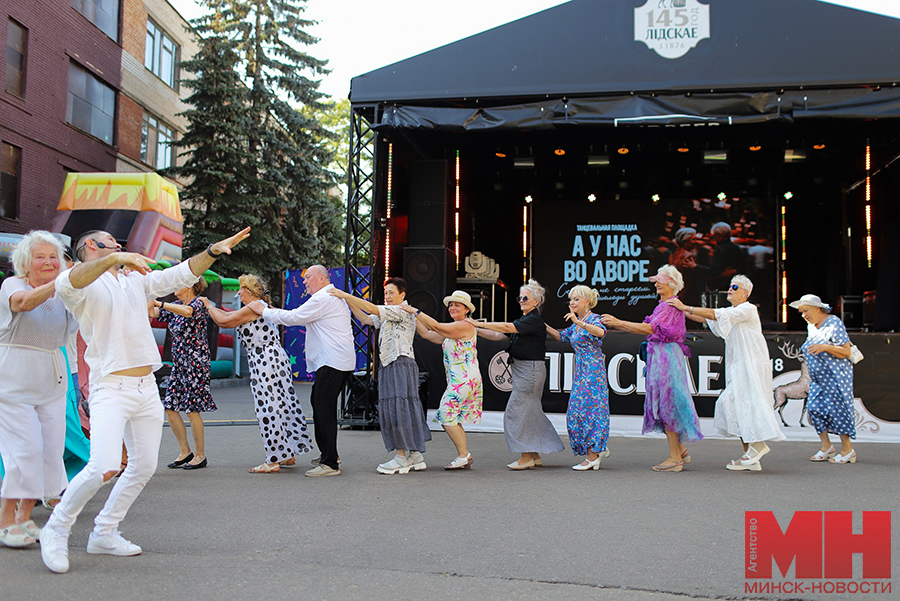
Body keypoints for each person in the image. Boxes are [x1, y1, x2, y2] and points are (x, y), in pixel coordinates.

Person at [39, 227, 250, 574]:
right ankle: (56, 528)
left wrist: (212, 250)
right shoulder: (78, 282)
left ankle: (104, 532)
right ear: (91, 246)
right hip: (112, 385)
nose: (120, 247)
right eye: (111, 243)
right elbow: (72, 280)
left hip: (146, 387)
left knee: (143, 466)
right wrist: (118, 258)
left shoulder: (134, 281)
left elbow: (181, 273)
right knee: (103, 465)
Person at [0, 231, 75, 548]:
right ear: (24, 264)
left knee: (49, 450)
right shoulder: (13, 284)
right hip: (13, 378)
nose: (48, 261)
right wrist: (62, 283)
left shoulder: (66, 293)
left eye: (53, 256)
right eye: (40, 256)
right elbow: (24, 303)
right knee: (24, 450)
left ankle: (25, 517)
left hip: (52, 378)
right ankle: (5, 521)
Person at [668, 275, 785, 471]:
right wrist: (683, 311)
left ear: (745, 293)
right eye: (730, 286)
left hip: (751, 363)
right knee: (738, 405)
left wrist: (685, 307)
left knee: (738, 401)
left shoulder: (747, 309)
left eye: (735, 287)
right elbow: (710, 318)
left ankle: (759, 446)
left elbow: (715, 314)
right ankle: (751, 456)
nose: (729, 289)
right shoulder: (732, 312)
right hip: (739, 363)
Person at [248, 266, 355, 477]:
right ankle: (329, 454)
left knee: (324, 409)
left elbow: (293, 317)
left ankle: (330, 464)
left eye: (308, 278)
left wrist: (263, 311)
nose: (304, 282)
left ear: (322, 278)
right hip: (333, 362)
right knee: (319, 405)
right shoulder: (327, 297)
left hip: (332, 362)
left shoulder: (323, 298)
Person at [202, 275, 313, 473]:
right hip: (273, 357)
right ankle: (286, 453)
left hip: (264, 360)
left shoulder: (253, 307)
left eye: (241, 289)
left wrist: (208, 305)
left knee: (268, 407)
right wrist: (210, 306)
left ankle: (273, 460)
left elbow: (225, 322)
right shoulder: (257, 306)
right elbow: (227, 317)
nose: (238, 293)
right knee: (282, 404)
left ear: (250, 291)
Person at [601, 265, 702, 472]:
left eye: (659, 280)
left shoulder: (670, 306)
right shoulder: (664, 305)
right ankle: (680, 449)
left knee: (668, 403)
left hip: (667, 359)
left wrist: (618, 322)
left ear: (672, 283)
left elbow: (650, 328)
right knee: (664, 402)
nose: (656, 283)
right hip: (662, 356)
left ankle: (675, 458)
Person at [329, 278, 431, 474]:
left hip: (399, 362)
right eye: (385, 293)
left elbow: (372, 309)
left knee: (398, 408)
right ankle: (415, 455)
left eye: (391, 292)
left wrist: (345, 295)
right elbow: (366, 319)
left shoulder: (401, 310)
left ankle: (401, 457)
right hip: (393, 363)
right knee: (404, 407)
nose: (387, 296)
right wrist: (348, 302)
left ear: (402, 294)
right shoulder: (390, 312)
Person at [471, 279, 564, 470]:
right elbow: (499, 336)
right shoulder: (524, 320)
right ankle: (534, 453)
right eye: (519, 297)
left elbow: (505, 328)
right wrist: (475, 330)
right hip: (525, 369)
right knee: (531, 413)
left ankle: (525, 456)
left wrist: (480, 323)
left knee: (516, 413)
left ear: (536, 301)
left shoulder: (533, 320)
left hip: (530, 370)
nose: (521, 300)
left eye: (525, 297)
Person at [403, 291, 483, 470]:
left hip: (464, 379)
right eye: (451, 305)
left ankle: (464, 454)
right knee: (453, 417)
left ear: (467, 310)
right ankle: (464, 455)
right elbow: (427, 334)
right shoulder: (454, 329)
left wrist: (415, 311)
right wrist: (411, 315)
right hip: (462, 379)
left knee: (446, 415)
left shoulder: (465, 325)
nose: (452, 308)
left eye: (457, 305)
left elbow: (438, 327)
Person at [152, 277, 216, 471]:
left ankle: (200, 455)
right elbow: (154, 312)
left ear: (189, 286)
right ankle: (184, 451)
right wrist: (145, 297)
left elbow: (188, 312)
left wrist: (161, 303)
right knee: (170, 407)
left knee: (191, 408)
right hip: (180, 364)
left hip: (196, 364)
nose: (174, 288)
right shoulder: (177, 305)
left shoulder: (198, 303)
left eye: (178, 284)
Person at [546, 286, 611, 471]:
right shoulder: (577, 322)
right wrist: (543, 325)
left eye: (576, 299)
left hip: (593, 372)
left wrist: (578, 322)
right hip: (581, 372)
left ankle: (593, 456)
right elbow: (561, 337)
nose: (572, 303)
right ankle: (598, 447)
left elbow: (600, 333)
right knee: (576, 412)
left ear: (587, 302)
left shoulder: (593, 319)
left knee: (589, 412)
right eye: (571, 299)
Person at [790, 294, 857, 464]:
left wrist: (825, 347)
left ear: (817, 308)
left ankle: (847, 449)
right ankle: (826, 446)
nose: (804, 315)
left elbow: (846, 351)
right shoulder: (811, 326)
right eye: (801, 312)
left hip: (836, 376)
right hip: (818, 378)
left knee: (838, 411)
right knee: (814, 409)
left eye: (806, 310)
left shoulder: (833, 323)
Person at [694, 222, 746, 292]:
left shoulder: (721, 249)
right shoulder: (737, 248)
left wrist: (695, 267)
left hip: (723, 287)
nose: (714, 239)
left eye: (714, 236)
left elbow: (714, 270)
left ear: (720, 235)